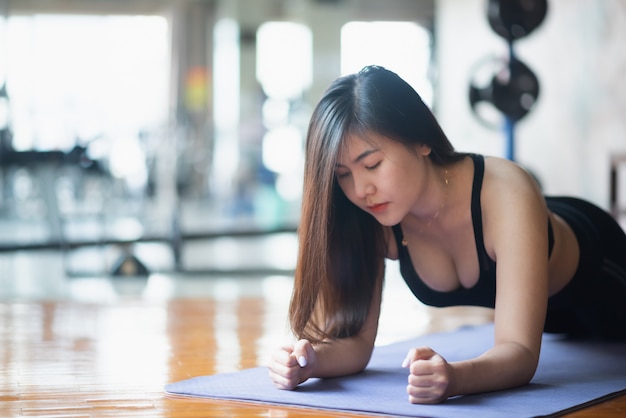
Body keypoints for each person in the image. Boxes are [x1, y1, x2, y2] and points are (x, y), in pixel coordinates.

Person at [267, 65, 626, 404]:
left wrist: (455, 378)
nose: (361, 189)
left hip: (604, 274)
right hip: (555, 321)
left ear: (421, 140)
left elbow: (520, 352)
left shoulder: (505, 192)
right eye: (343, 174)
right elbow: (357, 343)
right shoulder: (371, 220)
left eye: (372, 164)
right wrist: (311, 360)